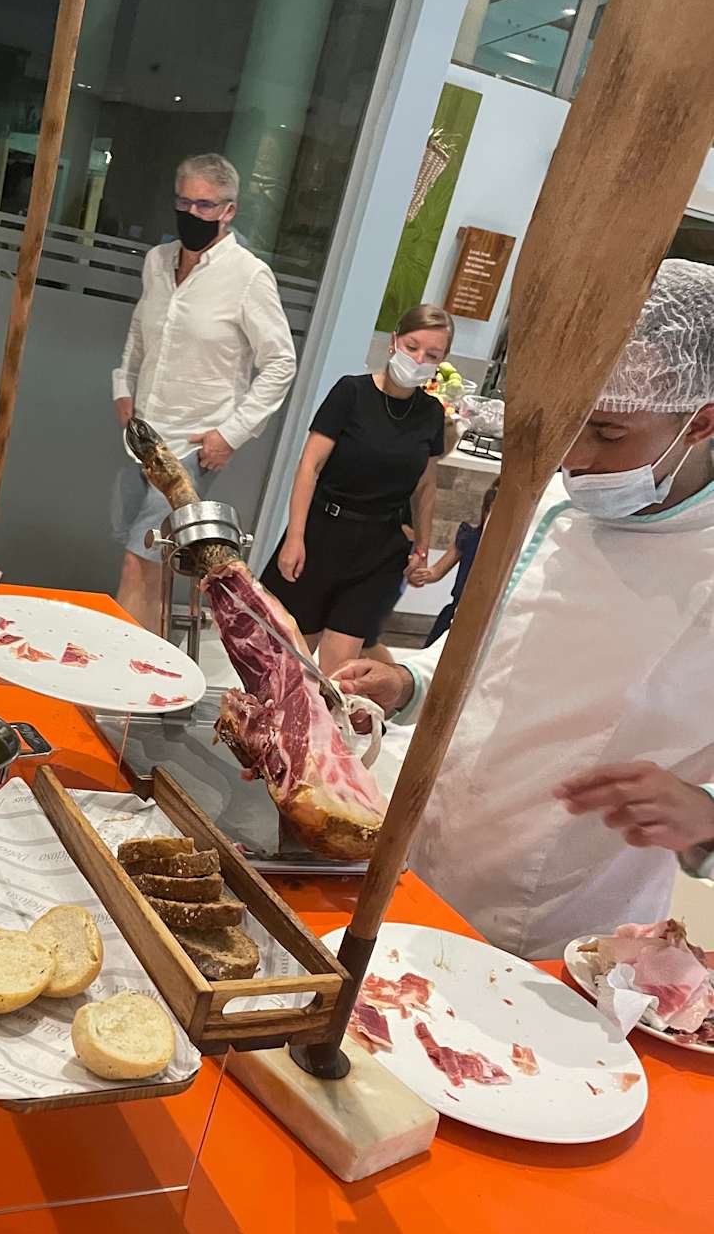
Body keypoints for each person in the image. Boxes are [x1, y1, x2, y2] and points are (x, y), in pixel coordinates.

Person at [335, 258, 714, 961]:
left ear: (700, 423)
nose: (575, 459)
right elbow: (489, 649)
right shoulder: (551, 502)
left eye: (608, 433)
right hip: (423, 852)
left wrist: (706, 815)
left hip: (563, 923)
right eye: (569, 425)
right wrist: (411, 682)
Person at [111, 152, 296, 631]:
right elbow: (140, 333)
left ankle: (118, 664)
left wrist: (230, 434)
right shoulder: (157, 262)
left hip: (193, 447)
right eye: (184, 202)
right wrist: (122, 389)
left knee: (140, 560)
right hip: (144, 439)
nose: (192, 214)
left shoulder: (248, 276)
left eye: (205, 206)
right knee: (147, 563)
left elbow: (280, 362)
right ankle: (149, 664)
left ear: (228, 211)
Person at [261, 305, 452, 676]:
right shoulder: (351, 392)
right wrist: (295, 537)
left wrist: (422, 547)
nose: (418, 360)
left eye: (432, 355)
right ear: (394, 341)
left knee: (340, 670)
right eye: (412, 347)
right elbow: (309, 466)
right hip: (323, 534)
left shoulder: (431, 413)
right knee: (289, 662)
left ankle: (328, 716)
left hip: (381, 548)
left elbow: (426, 485)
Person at [412, 476, 500, 646]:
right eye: (490, 510)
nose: (492, 519)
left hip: (488, 619)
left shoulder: (511, 550)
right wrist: (420, 572)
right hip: (456, 613)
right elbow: (435, 572)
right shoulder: (469, 538)